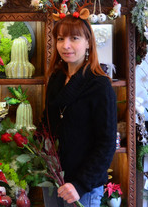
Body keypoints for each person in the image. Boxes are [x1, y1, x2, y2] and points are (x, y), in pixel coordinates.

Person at [42, 14, 117, 207]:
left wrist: (80, 184)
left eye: (74, 38)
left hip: (83, 188)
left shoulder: (99, 86)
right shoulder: (56, 79)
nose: (65, 45)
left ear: (88, 43)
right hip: (53, 180)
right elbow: (47, 125)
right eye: (60, 39)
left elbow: (106, 144)